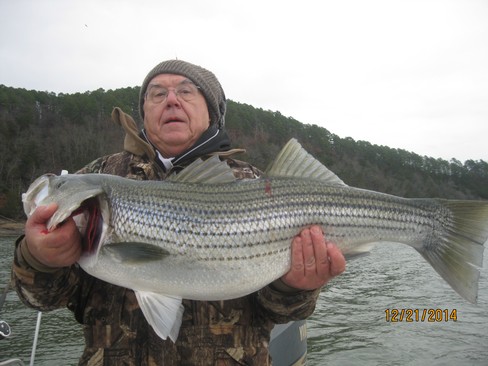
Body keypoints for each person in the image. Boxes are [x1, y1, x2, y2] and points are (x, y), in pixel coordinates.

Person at [12, 60, 346, 365]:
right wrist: (39, 259)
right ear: (144, 111)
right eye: (157, 94)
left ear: (211, 111)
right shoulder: (99, 174)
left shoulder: (255, 185)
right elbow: (40, 299)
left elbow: (283, 312)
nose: (171, 100)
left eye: (186, 91)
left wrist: (293, 288)